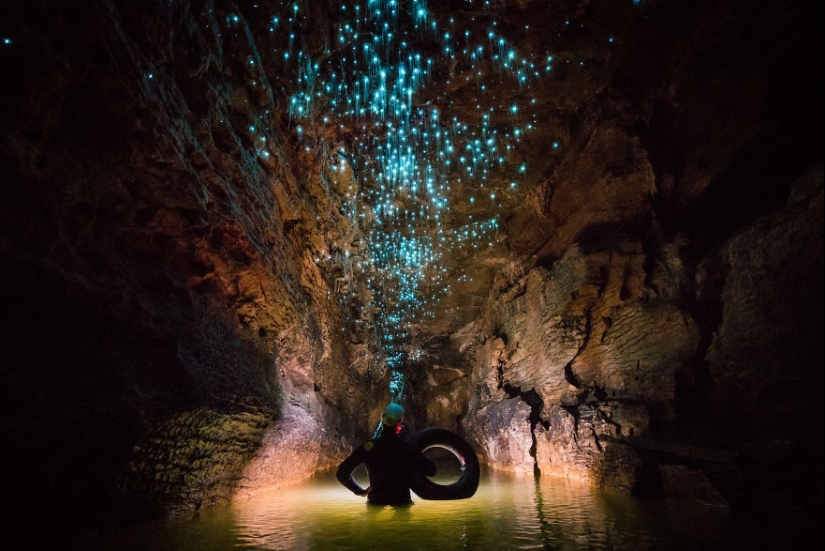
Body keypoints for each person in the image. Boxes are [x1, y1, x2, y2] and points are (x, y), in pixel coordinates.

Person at [336, 403, 436, 505]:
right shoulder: (407, 449)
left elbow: (342, 473)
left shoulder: (369, 448)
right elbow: (431, 471)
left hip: (376, 500)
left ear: (382, 420)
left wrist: (359, 491)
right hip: (401, 501)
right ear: (400, 424)